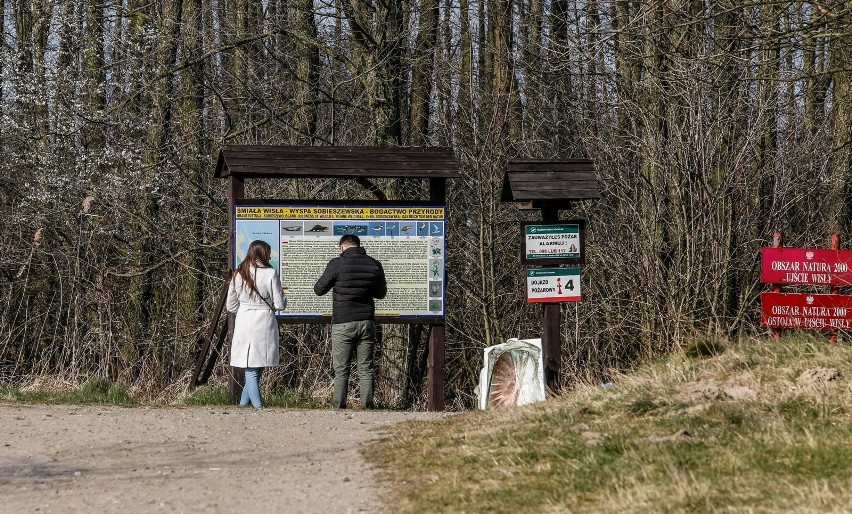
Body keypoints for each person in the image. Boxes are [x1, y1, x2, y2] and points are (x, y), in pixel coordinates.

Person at [314, 234, 387, 409]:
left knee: (341, 369)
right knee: (366, 368)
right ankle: (367, 406)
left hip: (343, 322)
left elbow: (319, 289)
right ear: (358, 245)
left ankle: (339, 404)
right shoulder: (374, 264)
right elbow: (381, 294)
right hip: (366, 322)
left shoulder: (336, 264)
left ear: (342, 247)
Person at [226, 240, 287, 409]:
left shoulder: (238, 274)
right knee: (255, 368)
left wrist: (245, 305)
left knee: (252, 366)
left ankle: (243, 405)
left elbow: (230, 306)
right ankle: (259, 407)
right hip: (264, 321)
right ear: (264, 253)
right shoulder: (270, 274)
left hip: (244, 319)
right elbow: (280, 304)